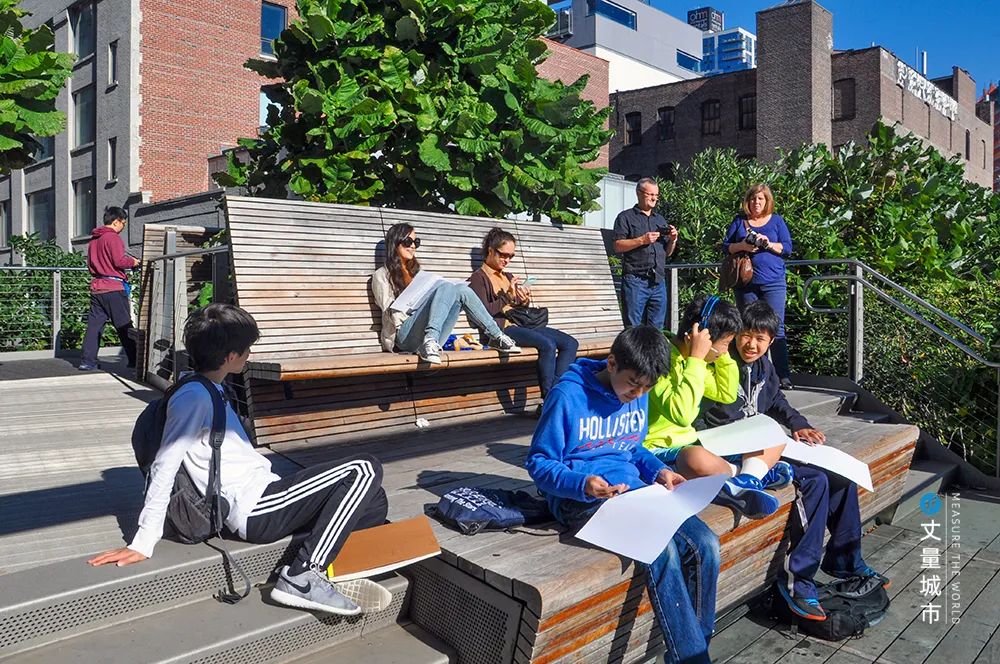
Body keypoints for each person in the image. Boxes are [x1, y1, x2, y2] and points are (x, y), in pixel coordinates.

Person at [88, 304, 389, 616]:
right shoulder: (193, 397)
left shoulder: (211, 387)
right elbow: (164, 465)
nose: (249, 354)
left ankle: (328, 559)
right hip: (253, 507)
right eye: (247, 349)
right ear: (230, 356)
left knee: (374, 500)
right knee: (364, 468)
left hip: (266, 491)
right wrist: (143, 540)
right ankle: (303, 576)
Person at [526, 326, 719, 664]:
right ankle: (691, 660)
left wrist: (658, 470)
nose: (638, 393)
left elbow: (633, 448)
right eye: (633, 384)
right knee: (661, 550)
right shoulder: (567, 396)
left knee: (706, 543)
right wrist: (582, 484)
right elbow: (539, 463)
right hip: (582, 500)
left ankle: (697, 646)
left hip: (636, 492)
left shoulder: (638, 392)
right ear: (612, 363)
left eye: (647, 387)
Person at [698, 300, 890, 621]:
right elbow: (714, 417)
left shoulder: (764, 367)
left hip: (764, 443)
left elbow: (777, 401)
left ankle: (846, 562)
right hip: (732, 450)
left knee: (839, 476)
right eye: (746, 335)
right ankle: (799, 580)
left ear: (771, 341)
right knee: (814, 481)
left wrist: (799, 424)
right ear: (736, 334)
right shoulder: (722, 363)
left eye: (761, 339)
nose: (751, 344)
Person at [644, 295, 788, 519]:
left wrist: (716, 355)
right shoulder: (660, 358)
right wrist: (696, 359)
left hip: (695, 442)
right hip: (660, 448)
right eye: (726, 344)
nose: (726, 351)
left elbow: (726, 393)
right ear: (702, 336)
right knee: (698, 459)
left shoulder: (695, 359)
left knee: (774, 435)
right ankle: (753, 474)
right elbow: (682, 415)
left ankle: (745, 481)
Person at [371, 223, 521, 365]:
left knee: (460, 289)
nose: (413, 246)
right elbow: (389, 313)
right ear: (395, 243)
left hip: (430, 337)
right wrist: (417, 304)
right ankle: (430, 340)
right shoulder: (381, 275)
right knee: (445, 287)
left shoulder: (417, 274)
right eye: (408, 241)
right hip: (404, 337)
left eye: (416, 242)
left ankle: (496, 336)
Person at [468, 227, 578, 404]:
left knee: (570, 343)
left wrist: (522, 299)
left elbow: (517, 308)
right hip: (501, 330)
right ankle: (549, 399)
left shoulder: (508, 276)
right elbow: (483, 313)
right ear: (490, 250)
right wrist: (508, 296)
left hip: (523, 325)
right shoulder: (478, 278)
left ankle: (554, 395)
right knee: (547, 345)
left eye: (511, 256)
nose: (507, 260)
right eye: (503, 255)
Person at [722, 183, 794, 389]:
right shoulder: (739, 221)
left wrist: (767, 243)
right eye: (753, 198)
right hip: (745, 284)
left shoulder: (777, 221)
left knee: (776, 327)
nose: (756, 202)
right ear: (748, 201)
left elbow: (787, 248)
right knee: (748, 328)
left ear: (767, 201)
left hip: (773, 282)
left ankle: (781, 376)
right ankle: (749, 374)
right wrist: (743, 245)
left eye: (760, 199)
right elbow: (726, 247)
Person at [613, 177, 678, 329]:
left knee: (657, 328)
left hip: (658, 281)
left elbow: (667, 253)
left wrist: (673, 240)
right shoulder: (625, 217)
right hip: (635, 281)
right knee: (633, 328)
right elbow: (617, 246)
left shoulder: (660, 220)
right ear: (639, 193)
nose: (654, 198)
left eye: (656, 195)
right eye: (650, 194)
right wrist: (642, 240)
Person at [80, 206, 140, 371]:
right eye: (123, 223)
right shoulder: (113, 238)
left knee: (94, 327)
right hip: (114, 288)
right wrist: (134, 262)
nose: (123, 227)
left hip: (97, 287)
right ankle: (135, 360)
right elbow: (119, 261)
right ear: (116, 221)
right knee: (124, 325)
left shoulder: (94, 240)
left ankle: (87, 361)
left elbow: (91, 265)